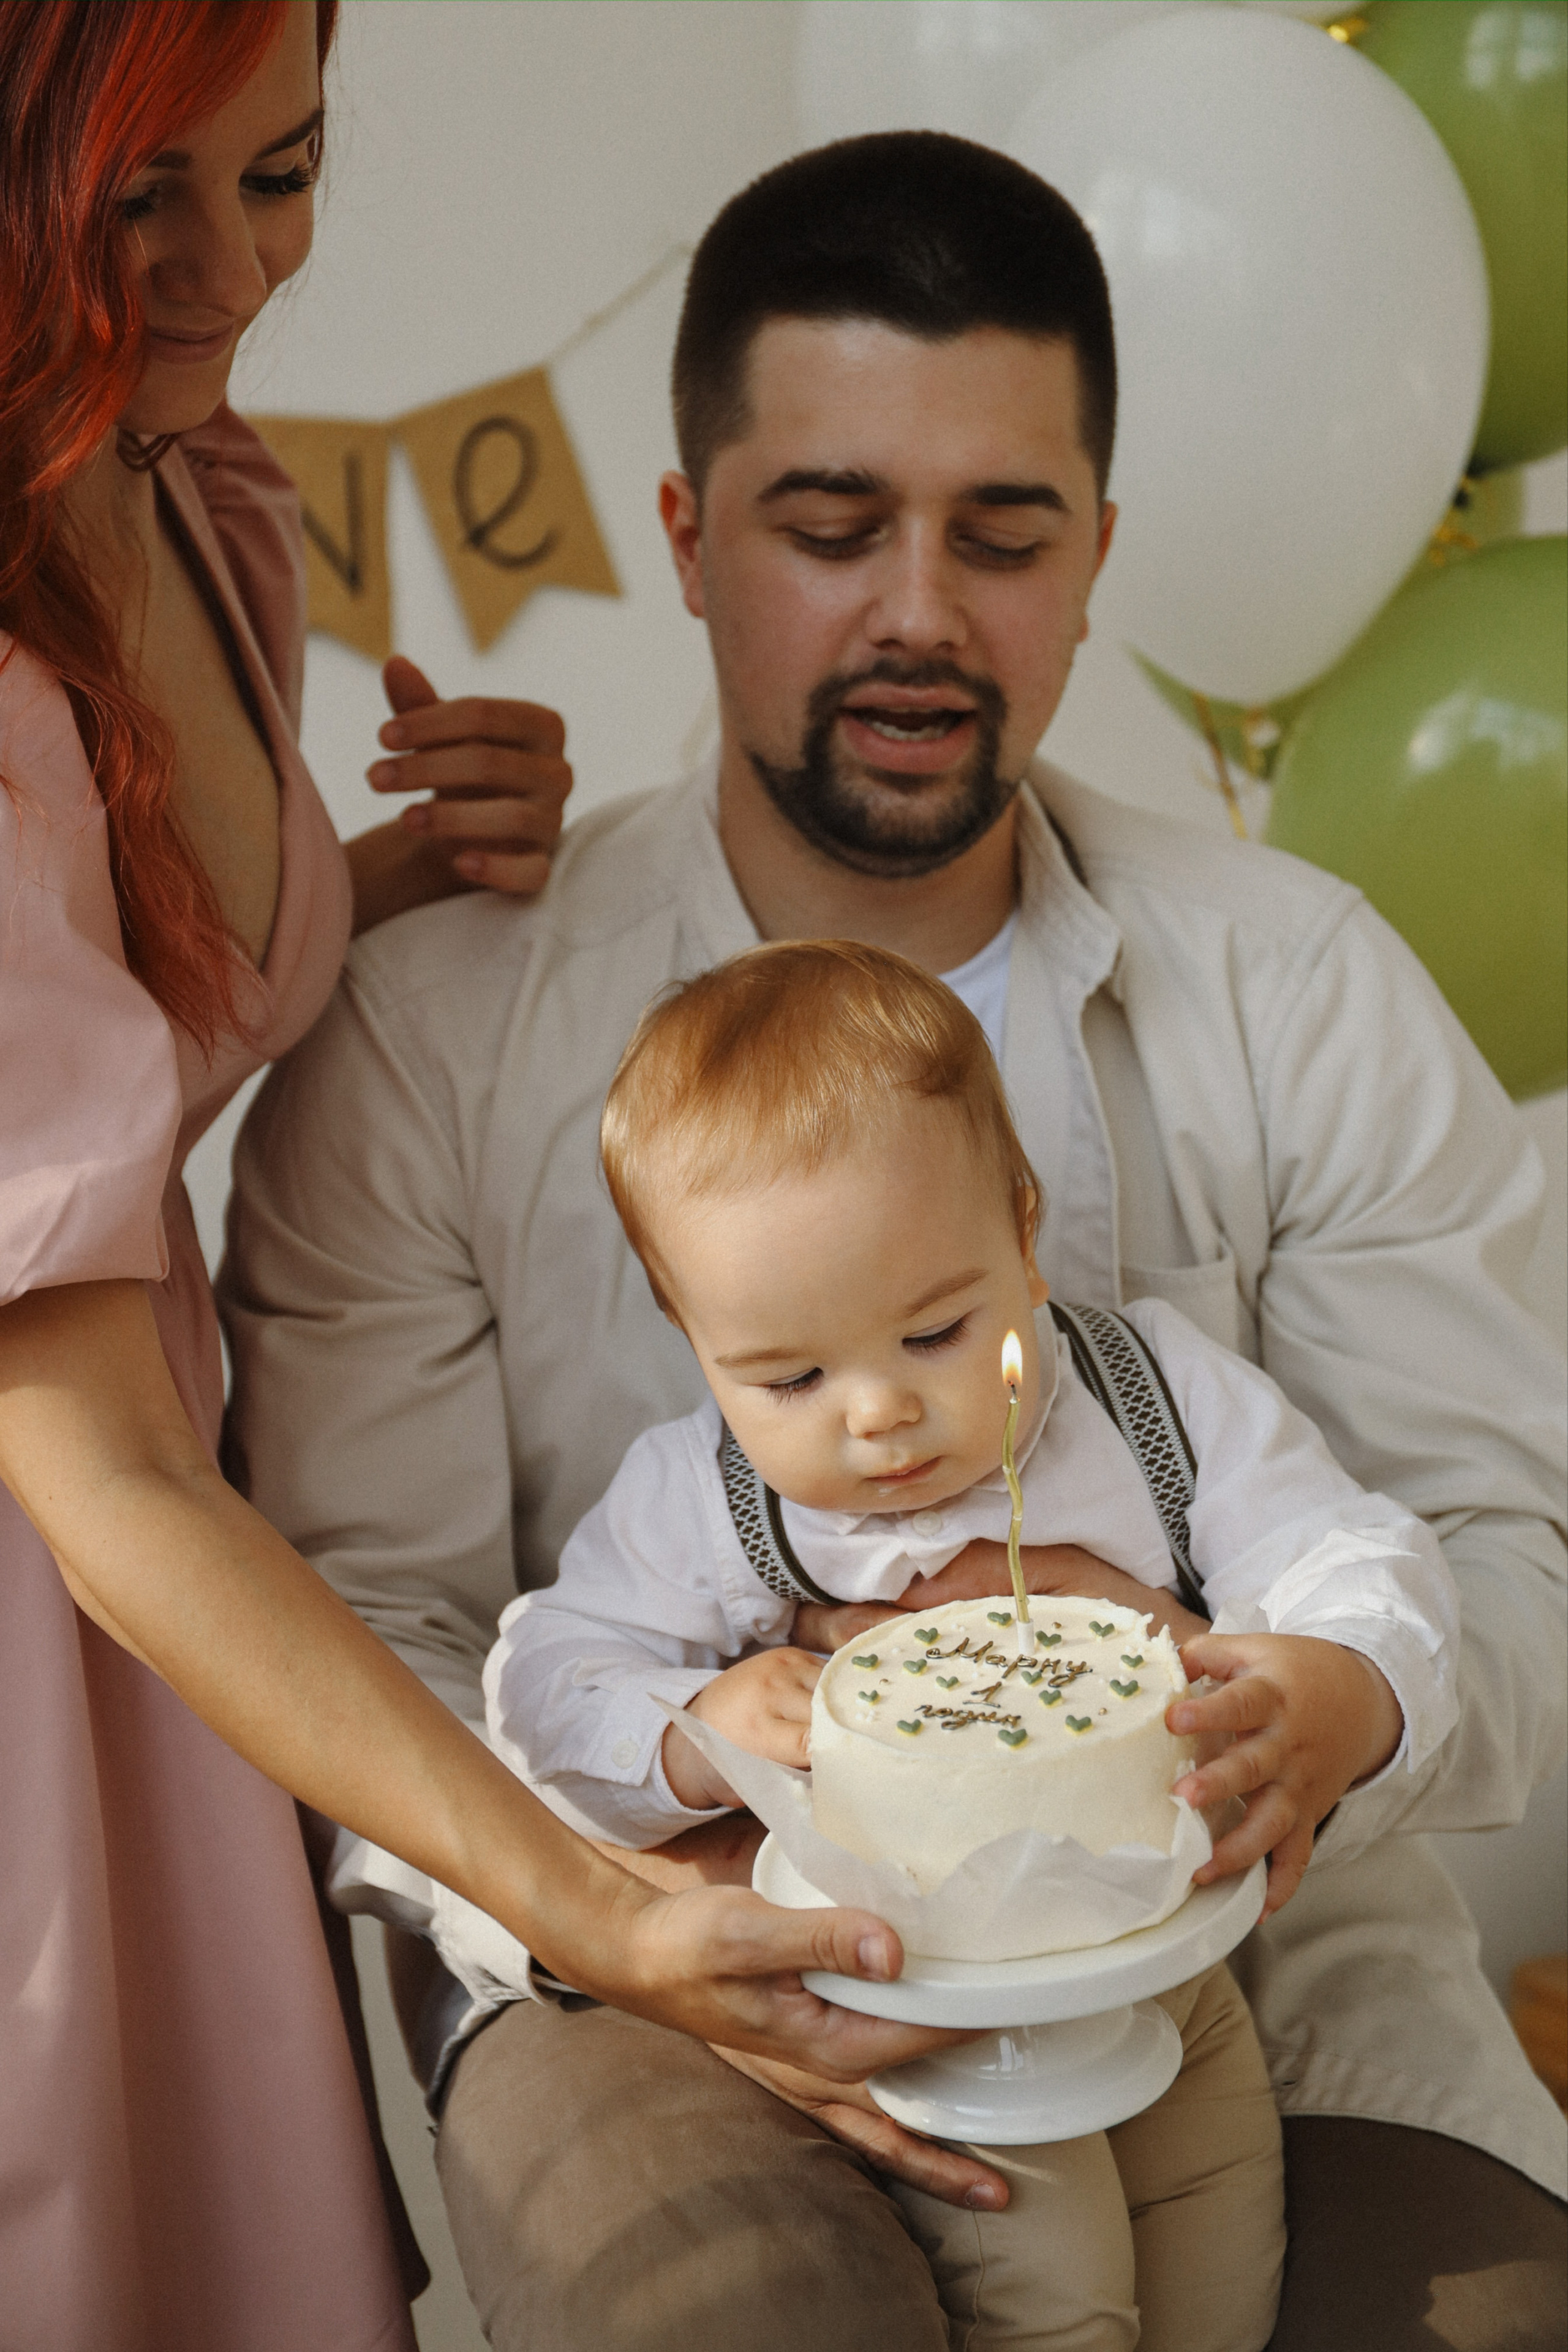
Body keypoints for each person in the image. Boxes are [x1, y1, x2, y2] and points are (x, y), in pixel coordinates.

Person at [221, 134, 1567, 2350]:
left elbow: (1501, 1554)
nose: (920, 612)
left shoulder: (1298, 986)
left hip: (1261, 1953)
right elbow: (368, 1618)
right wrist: (640, 1890)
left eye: (1004, 534)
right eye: (832, 528)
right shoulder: (444, 1029)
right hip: (674, 1957)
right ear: (687, 535)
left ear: (1102, 553)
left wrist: (1332, 1726)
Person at [0, 23, 949, 2351]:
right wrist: (600, 1917)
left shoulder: (196, 489)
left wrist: (389, 876)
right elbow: (94, 1459)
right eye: (145, 199)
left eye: (288, 171)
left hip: (159, 1558)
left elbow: (119, 1005)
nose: (235, 267)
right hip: (78, 1565)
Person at [484, 935, 1471, 2350]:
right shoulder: (698, 1497)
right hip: (914, 2010)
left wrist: (1344, 1682)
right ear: (682, 1326)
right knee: (1053, 2297)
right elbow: (542, 1680)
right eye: (790, 1376)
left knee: (1218, 2264)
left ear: (1022, 1229)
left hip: (1171, 1974)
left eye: (937, 1332)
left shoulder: (1157, 1397)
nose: (876, 1415)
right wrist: (691, 1722)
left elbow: (1352, 1553)